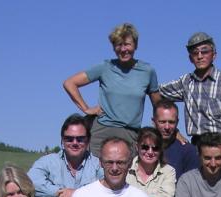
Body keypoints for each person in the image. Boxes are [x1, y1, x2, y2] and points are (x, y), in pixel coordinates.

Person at [63, 23, 160, 157]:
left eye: (127, 44)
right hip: (102, 131)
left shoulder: (147, 71)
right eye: (118, 45)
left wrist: (165, 129)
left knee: (127, 175)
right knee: (95, 175)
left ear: (136, 45)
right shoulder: (105, 67)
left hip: (130, 134)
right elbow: (70, 83)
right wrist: (86, 109)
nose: (123, 49)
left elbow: (158, 104)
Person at [158, 32, 221, 163]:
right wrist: (174, 131)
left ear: (214, 55)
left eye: (204, 51)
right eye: (195, 53)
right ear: (190, 58)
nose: (200, 56)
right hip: (198, 145)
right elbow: (156, 91)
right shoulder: (186, 82)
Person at [27, 114, 103, 197]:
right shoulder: (49, 161)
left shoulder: (98, 164)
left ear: (88, 140)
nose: (74, 143)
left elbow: (108, 188)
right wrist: (58, 192)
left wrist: (78, 194)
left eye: (80, 139)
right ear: (62, 140)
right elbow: (30, 181)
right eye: (69, 139)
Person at [126, 126, 177, 197]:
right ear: (137, 147)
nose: (150, 152)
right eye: (145, 147)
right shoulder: (125, 169)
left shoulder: (169, 171)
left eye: (155, 148)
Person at [152, 99, 199, 179]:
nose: (167, 127)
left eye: (171, 122)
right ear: (154, 122)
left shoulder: (188, 151)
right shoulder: (144, 149)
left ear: (177, 122)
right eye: (162, 122)